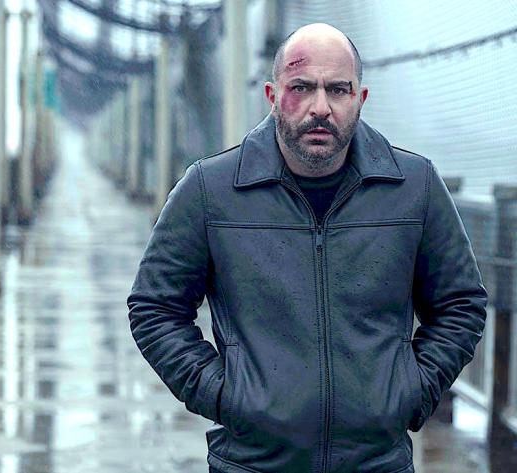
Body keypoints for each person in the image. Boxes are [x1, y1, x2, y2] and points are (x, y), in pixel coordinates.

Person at [127, 23, 487, 473]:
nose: (320, 107)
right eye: (301, 87)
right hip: (252, 463)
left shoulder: (414, 187)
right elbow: (154, 307)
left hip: (377, 464)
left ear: (360, 98)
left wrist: (412, 392)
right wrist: (223, 395)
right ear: (273, 95)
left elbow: (461, 303)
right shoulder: (210, 189)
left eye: (338, 89)